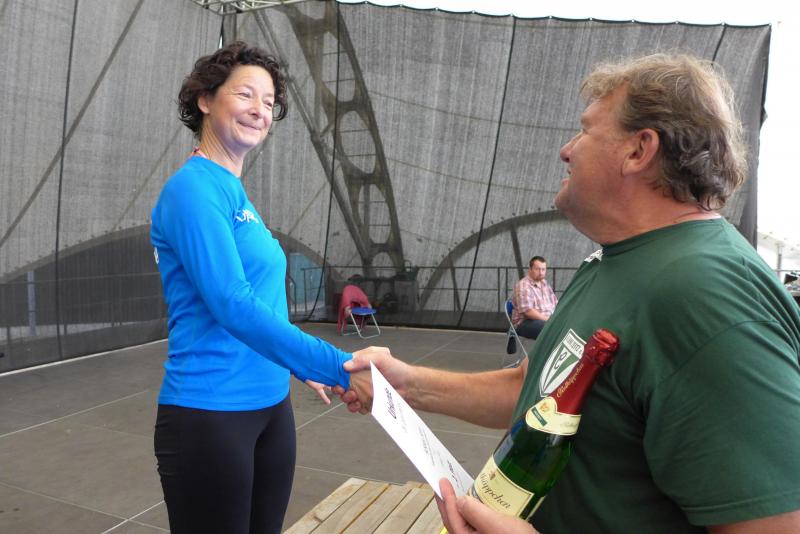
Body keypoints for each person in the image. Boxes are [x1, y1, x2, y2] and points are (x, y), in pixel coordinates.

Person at [341, 53, 800, 533]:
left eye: (585, 131)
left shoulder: (707, 295)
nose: (566, 149)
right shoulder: (613, 258)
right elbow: (535, 390)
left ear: (638, 150)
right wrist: (405, 385)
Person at [150, 41, 377, 534]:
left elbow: (263, 301)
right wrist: (334, 365)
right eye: (245, 94)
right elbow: (233, 303)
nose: (260, 109)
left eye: (269, 102)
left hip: (271, 407)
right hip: (211, 413)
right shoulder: (193, 190)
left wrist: (294, 364)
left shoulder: (234, 193)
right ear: (205, 100)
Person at [507, 255, 557, 353]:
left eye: (543, 269)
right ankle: (543, 359)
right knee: (551, 329)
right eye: (537, 269)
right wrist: (549, 320)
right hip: (525, 322)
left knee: (566, 326)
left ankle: (552, 358)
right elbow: (528, 312)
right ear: (530, 269)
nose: (541, 272)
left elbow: (555, 304)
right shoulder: (524, 286)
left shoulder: (545, 284)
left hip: (546, 319)